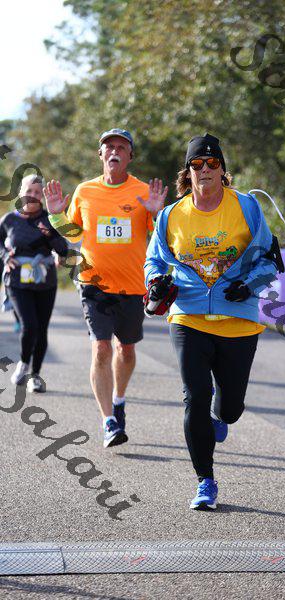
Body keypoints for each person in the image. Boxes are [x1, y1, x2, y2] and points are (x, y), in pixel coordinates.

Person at [145, 133, 282, 510]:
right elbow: (154, 261)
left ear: (223, 170)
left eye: (212, 163)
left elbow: (270, 259)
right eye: (197, 164)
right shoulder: (170, 215)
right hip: (188, 316)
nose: (204, 169)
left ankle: (221, 417)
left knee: (230, 408)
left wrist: (248, 285)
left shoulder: (247, 207)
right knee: (194, 396)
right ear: (187, 173)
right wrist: (155, 283)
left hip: (238, 319)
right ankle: (205, 481)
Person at [44, 128, 168, 448]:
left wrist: (157, 213)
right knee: (101, 347)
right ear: (100, 155)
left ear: (130, 156)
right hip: (94, 284)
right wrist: (56, 214)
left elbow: (162, 238)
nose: (114, 151)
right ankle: (108, 421)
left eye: (121, 147)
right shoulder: (85, 191)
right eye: (109, 146)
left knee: (126, 349)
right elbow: (74, 233)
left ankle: (119, 399)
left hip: (132, 285)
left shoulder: (143, 192)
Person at [0, 174, 69, 392]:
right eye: (29, 191)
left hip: (45, 281)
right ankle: (23, 362)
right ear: (21, 192)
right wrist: (5, 256)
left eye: (37, 192)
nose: (32, 195)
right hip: (17, 281)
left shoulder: (49, 219)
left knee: (41, 329)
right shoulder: (9, 220)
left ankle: (35, 376)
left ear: (42, 197)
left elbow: (63, 250)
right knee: (29, 326)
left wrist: (50, 234)